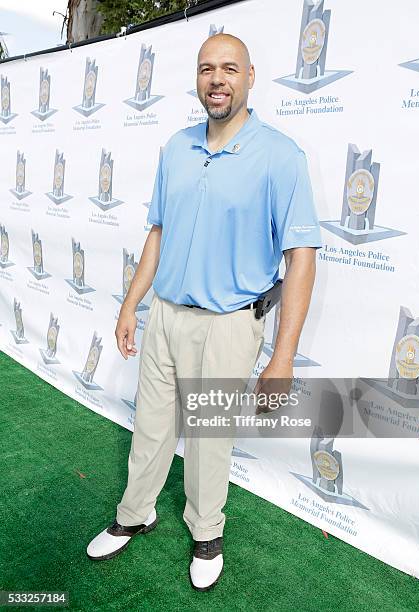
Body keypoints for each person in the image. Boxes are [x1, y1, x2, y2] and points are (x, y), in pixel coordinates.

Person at [86, 33, 322, 591]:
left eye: (230, 69)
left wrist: (282, 359)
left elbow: (302, 257)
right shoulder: (176, 147)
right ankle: (134, 513)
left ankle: (206, 532)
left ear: (250, 76)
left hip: (229, 324)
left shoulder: (281, 155)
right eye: (207, 69)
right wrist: (130, 304)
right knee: (150, 427)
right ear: (197, 78)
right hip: (165, 315)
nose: (218, 79)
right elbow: (159, 233)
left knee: (209, 439)